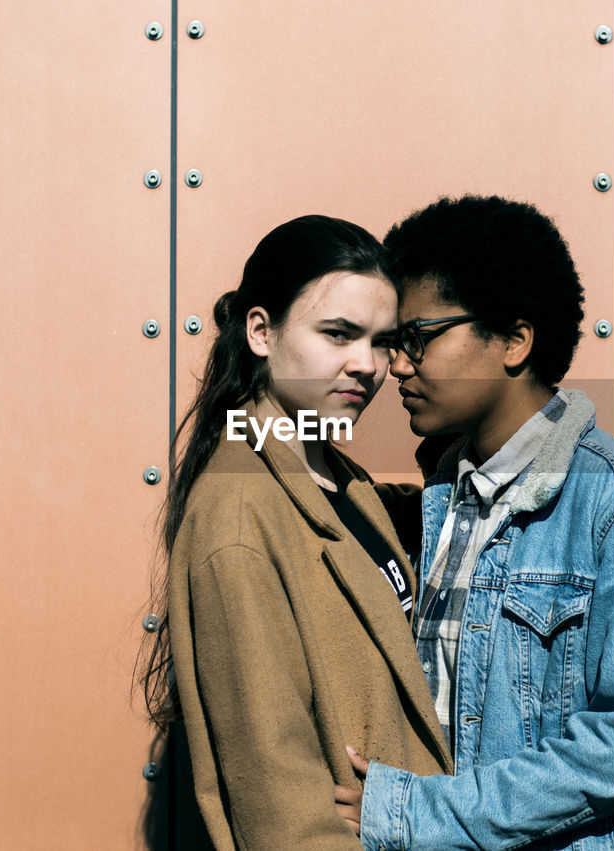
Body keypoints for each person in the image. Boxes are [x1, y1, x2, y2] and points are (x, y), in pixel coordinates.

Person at [335, 195, 614, 849]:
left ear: (514, 339)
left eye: (417, 338)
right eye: (396, 342)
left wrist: (411, 812)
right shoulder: (443, 498)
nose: (396, 364)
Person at [140, 215, 451, 849]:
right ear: (261, 331)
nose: (367, 366)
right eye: (337, 334)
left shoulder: (332, 472)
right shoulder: (237, 517)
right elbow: (274, 785)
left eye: (382, 342)